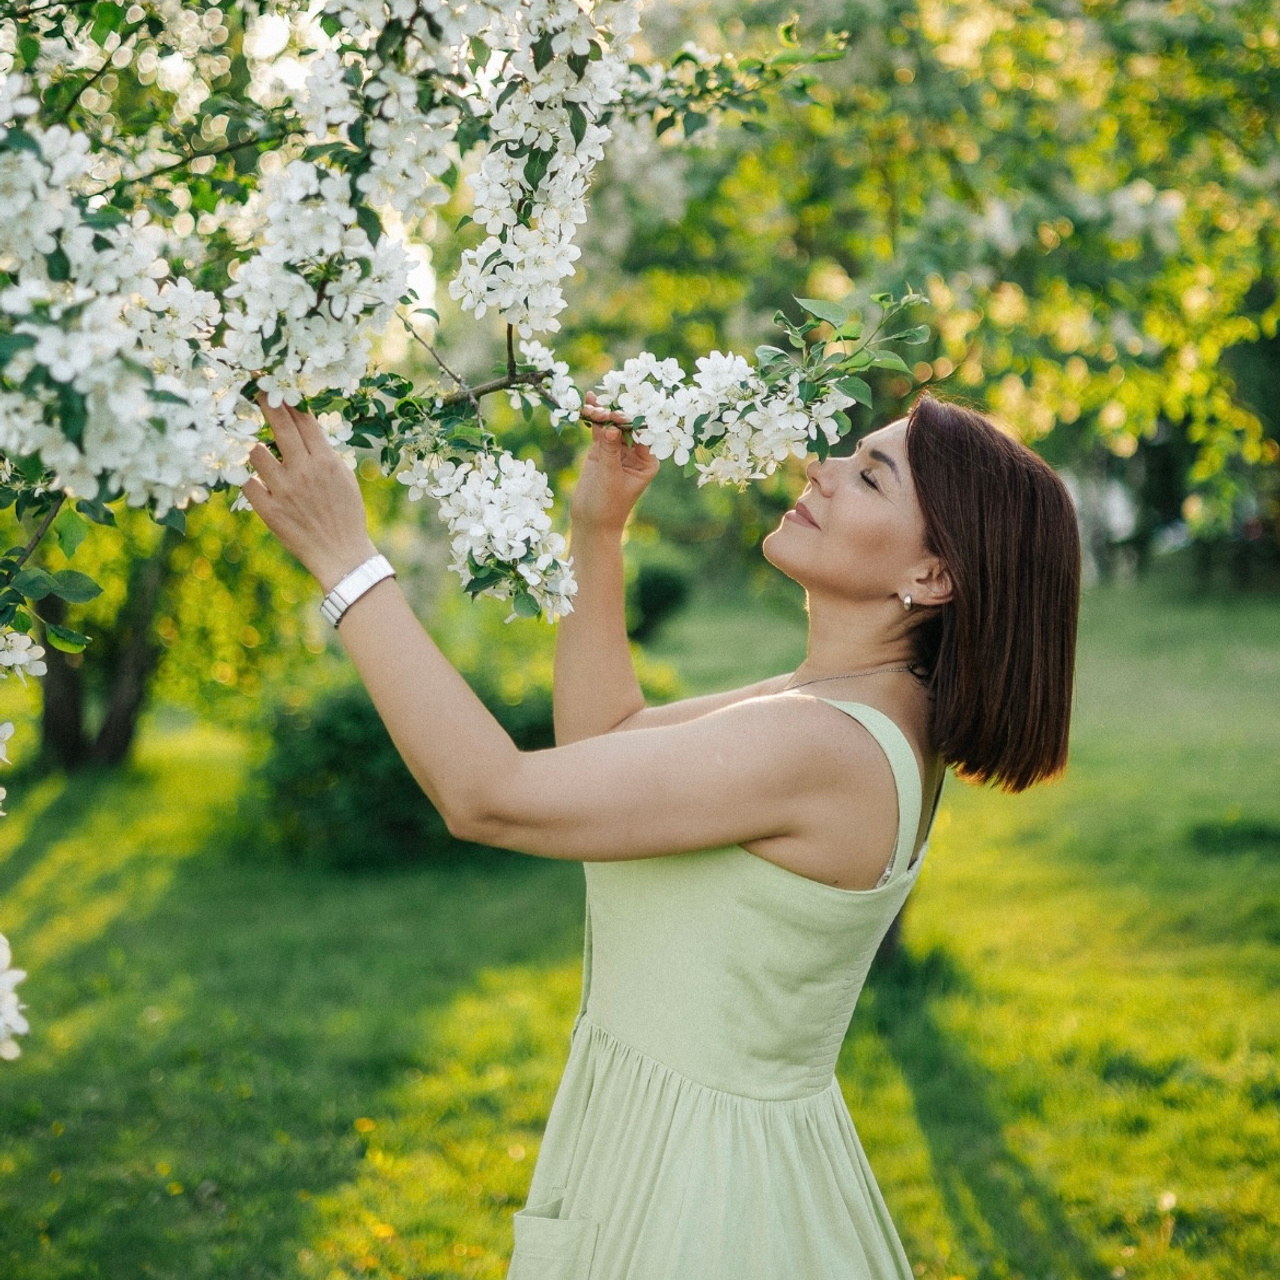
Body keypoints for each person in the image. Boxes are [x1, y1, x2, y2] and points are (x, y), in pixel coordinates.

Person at [243, 388, 1081, 1280]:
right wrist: (598, 530)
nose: (819, 469)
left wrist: (347, 561)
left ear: (933, 577)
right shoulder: (842, 708)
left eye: (868, 476)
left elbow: (486, 796)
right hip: (694, 1156)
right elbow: (605, 747)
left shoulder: (822, 742)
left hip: (703, 1204)